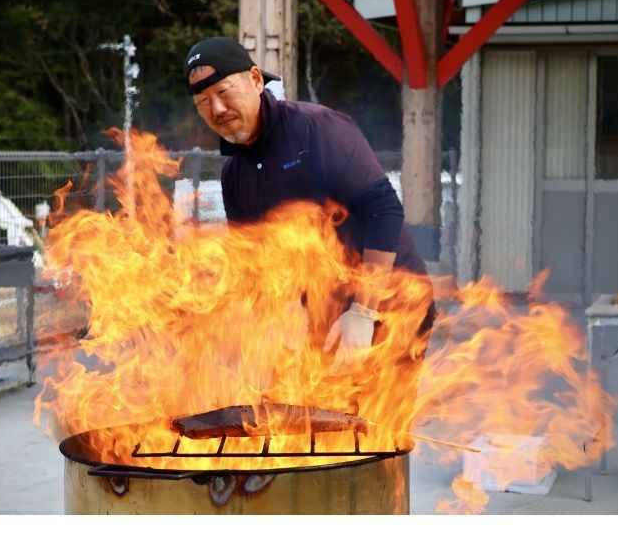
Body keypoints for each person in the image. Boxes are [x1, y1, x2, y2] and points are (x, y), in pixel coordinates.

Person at [183, 36, 434, 371]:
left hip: (390, 302)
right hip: (321, 315)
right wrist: (266, 324)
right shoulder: (234, 175)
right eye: (203, 100)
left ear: (256, 80)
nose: (217, 109)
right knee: (298, 415)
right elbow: (255, 264)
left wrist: (363, 314)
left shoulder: (315, 128)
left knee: (371, 421)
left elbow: (384, 211)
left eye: (224, 92)